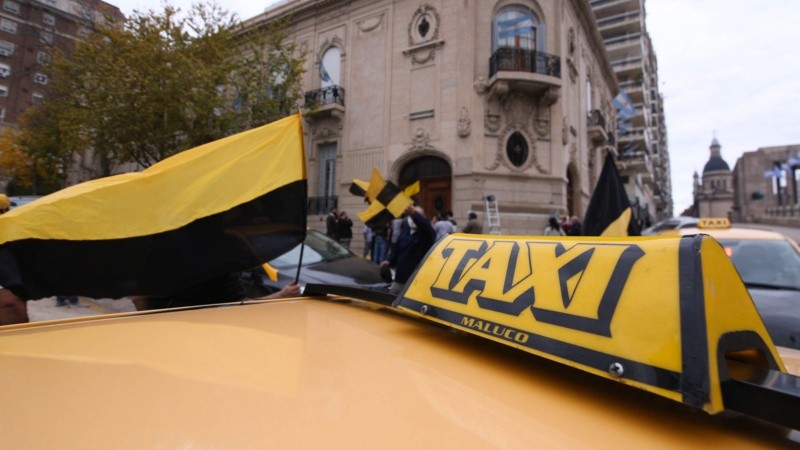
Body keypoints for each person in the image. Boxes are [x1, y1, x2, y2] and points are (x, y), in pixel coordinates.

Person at [381, 205, 435, 293]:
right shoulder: (405, 231)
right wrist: (389, 261)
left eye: (418, 215)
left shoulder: (426, 234)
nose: (412, 218)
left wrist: (415, 214)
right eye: (411, 215)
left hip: (416, 281)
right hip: (400, 278)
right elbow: (396, 249)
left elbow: (426, 228)